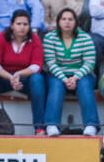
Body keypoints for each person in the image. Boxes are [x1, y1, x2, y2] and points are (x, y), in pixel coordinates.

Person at [0, 9, 46, 135]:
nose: (22, 27)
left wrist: (19, 74)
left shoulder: (35, 39)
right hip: (4, 77)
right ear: (12, 25)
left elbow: (37, 66)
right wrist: (10, 77)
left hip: (25, 78)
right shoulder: (2, 38)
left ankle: (39, 128)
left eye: (25, 24)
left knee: (38, 79)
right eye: (18, 24)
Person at [43, 7, 100, 136]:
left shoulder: (85, 37)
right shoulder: (49, 38)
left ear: (76, 22)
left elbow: (90, 63)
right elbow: (50, 62)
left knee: (85, 85)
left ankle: (91, 125)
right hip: (57, 74)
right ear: (58, 22)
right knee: (56, 85)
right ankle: (51, 124)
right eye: (63, 19)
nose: (67, 22)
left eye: (70, 19)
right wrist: (64, 79)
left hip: (82, 74)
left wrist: (74, 78)